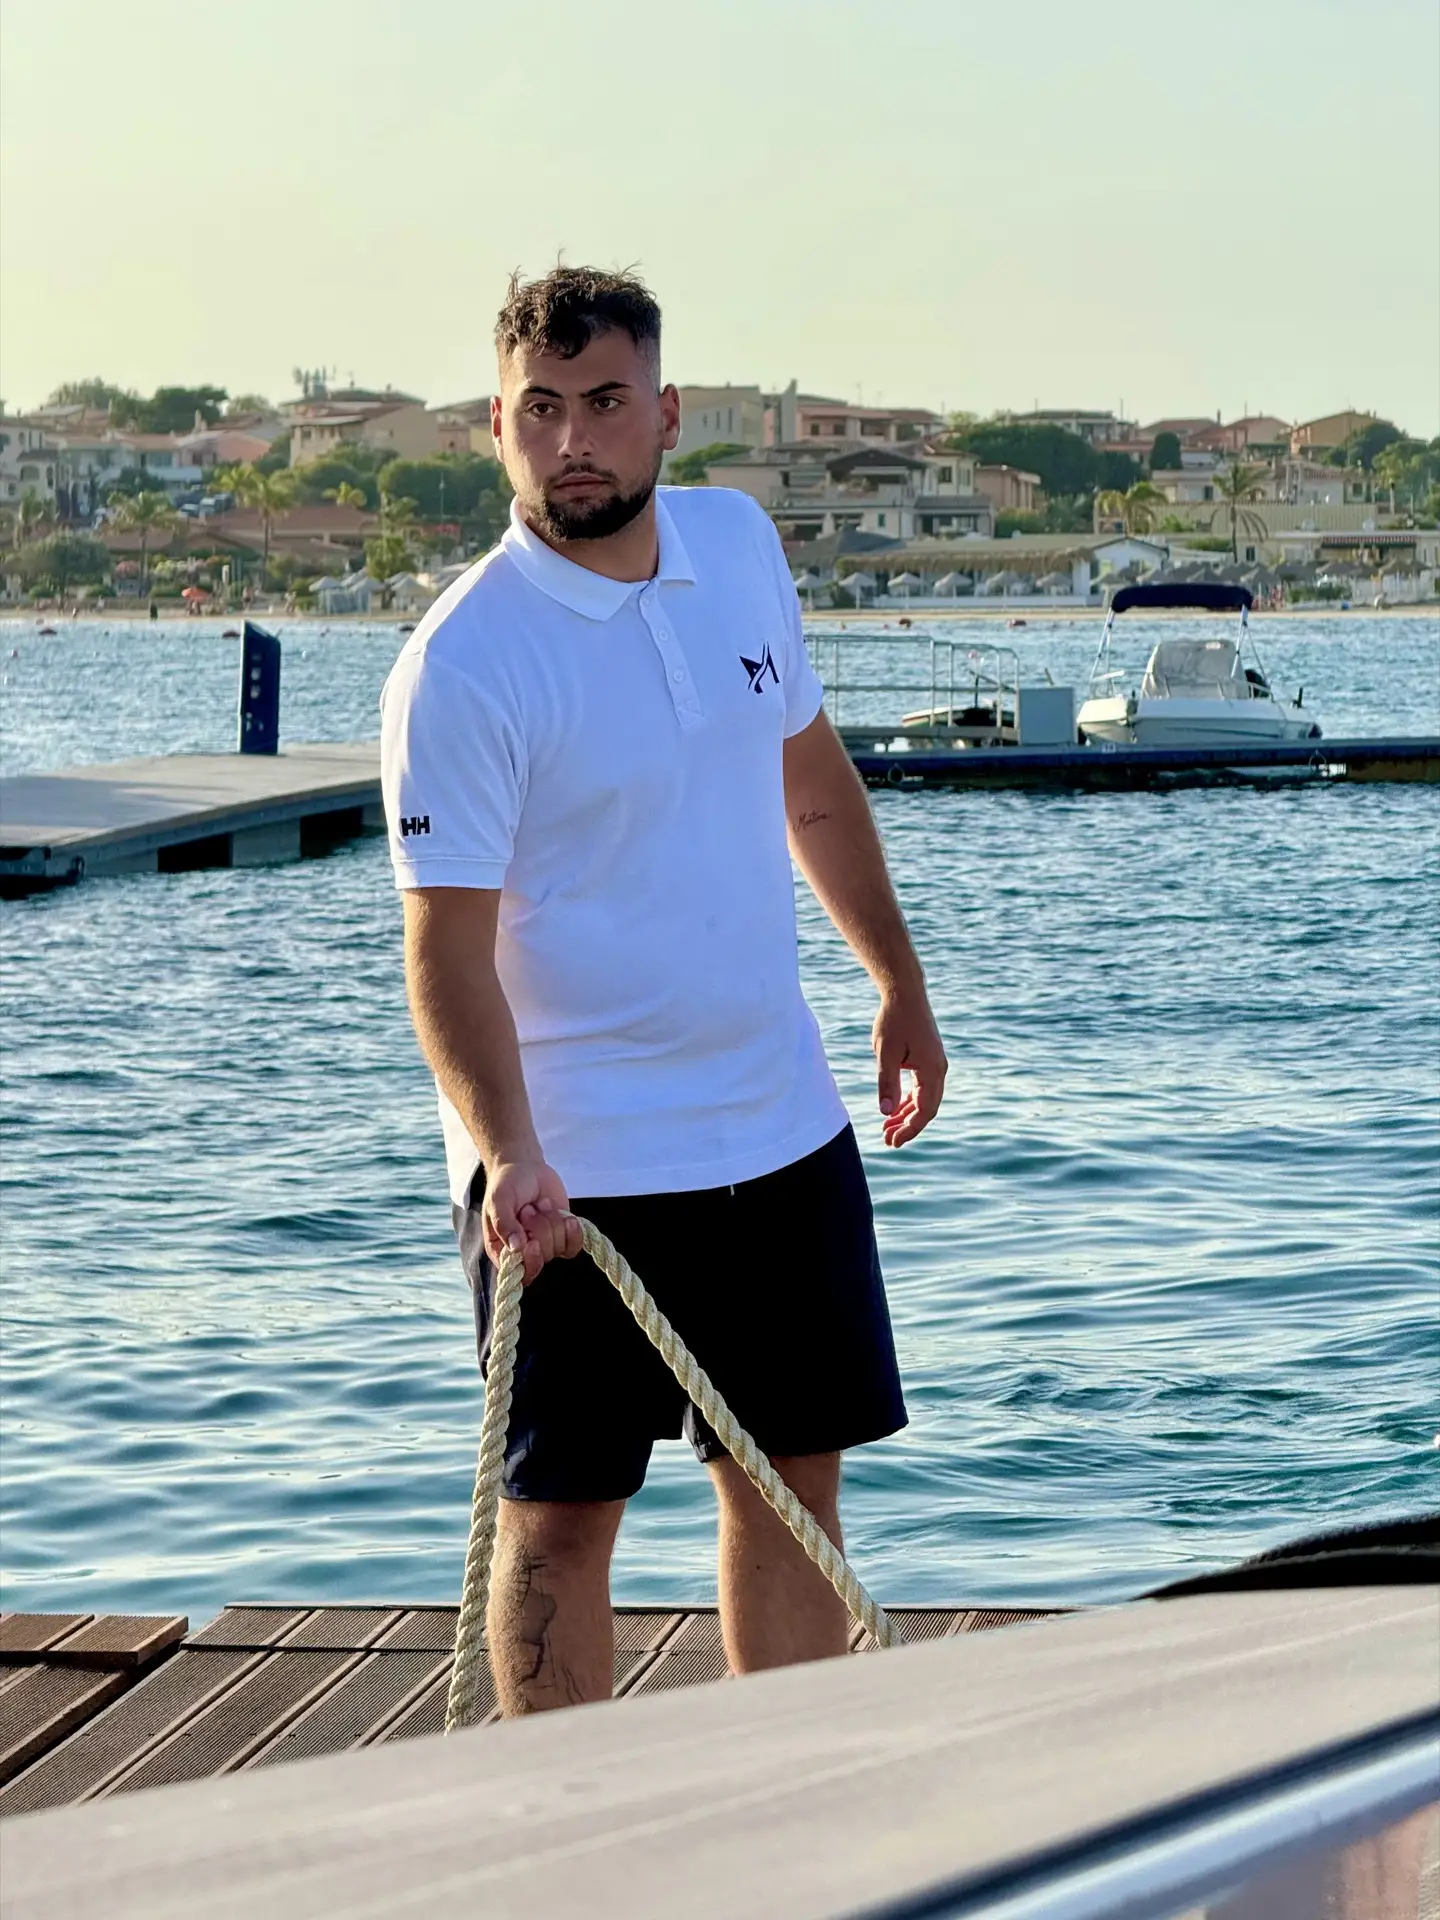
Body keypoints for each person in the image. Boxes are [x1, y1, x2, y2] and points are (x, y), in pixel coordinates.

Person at [380, 265, 947, 1716]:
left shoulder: (741, 548)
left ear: (667, 415)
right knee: (562, 1520)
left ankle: (783, 1808)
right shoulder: (465, 660)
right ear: (495, 428)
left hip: (776, 1121)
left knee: (789, 1492)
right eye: (541, 411)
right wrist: (510, 1150)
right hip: (573, 1166)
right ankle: (568, 1827)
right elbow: (443, 948)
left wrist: (896, 979)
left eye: (606, 405)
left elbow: (807, 782)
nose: (575, 441)